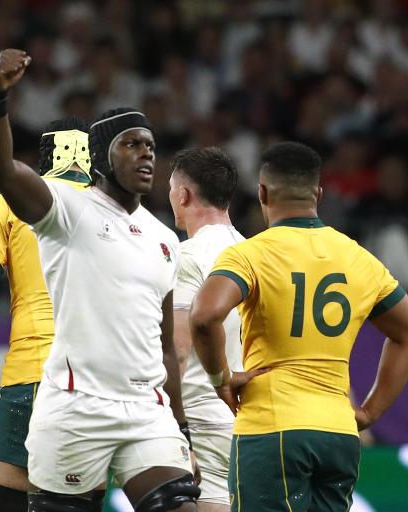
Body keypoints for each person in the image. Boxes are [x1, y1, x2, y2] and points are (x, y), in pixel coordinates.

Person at [0, 48, 200, 512]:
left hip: (146, 409)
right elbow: (0, 169)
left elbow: (166, 345)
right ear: (100, 158)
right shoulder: (64, 209)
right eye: (131, 143)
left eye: (150, 143)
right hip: (74, 405)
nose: (147, 151)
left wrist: (182, 428)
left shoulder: (164, 238)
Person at [189, 141, 408, 512]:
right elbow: (407, 332)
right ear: (319, 194)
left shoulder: (251, 254)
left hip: (272, 429)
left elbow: (204, 314)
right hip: (338, 434)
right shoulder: (358, 258)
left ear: (261, 192)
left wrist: (220, 378)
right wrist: (370, 412)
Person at [0, 117, 97, 512]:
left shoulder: (12, 204)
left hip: (33, 375)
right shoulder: (119, 215)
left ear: (44, 158)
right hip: (99, 387)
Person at [168, 147, 245, 512]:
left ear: (183, 195)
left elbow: (179, 348)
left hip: (203, 417)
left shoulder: (188, 255)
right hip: (252, 420)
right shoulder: (257, 253)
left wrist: (174, 430)